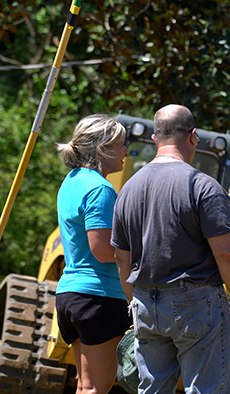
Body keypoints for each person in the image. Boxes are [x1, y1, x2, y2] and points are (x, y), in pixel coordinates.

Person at [111, 104, 230, 394]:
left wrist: (133, 301)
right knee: (206, 388)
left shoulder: (129, 189)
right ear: (194, 137)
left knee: (152, 388)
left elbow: (121, 257)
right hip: (196, 304)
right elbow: (226, 253)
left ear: (154, 138)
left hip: (145, 303)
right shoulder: (203, 186)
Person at [55, 114, 132, 394]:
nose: (126, 151)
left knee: (84, 387)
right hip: (97, 298)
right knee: (96, 389)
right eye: (122, 144)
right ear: (103, 149)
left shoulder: (72, 181)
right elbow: (102, 250)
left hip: (71, 296)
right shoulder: (100, 189)